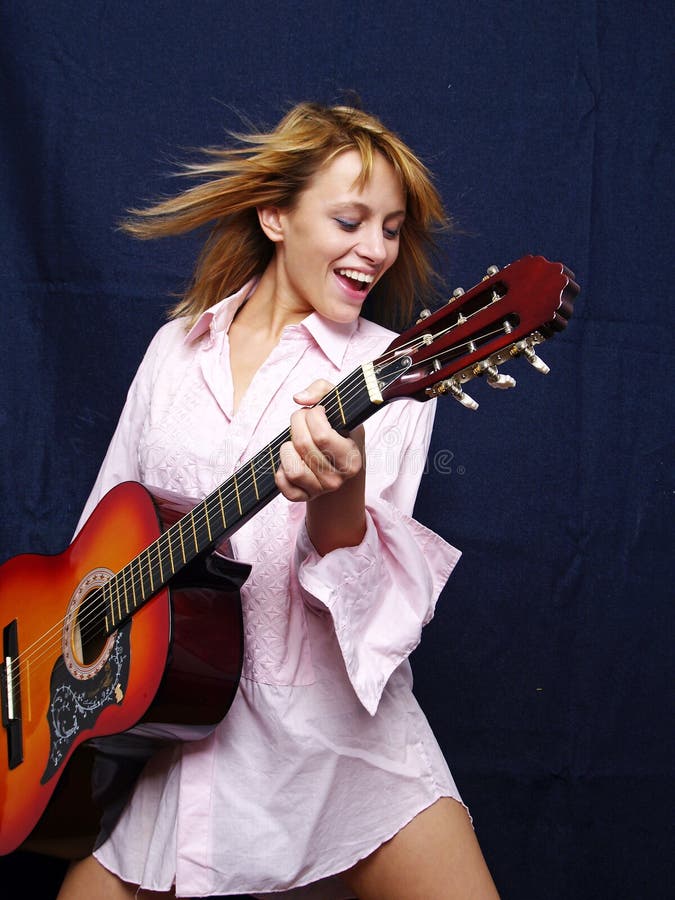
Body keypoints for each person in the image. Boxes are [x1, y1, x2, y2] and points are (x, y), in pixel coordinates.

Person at [56, 101, 500, 899]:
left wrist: (340, 495)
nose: (375, 251)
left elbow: (374, 610)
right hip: (178, 740)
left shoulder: (391, 377)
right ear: (274, 216)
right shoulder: (175, 348)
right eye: (350, 220)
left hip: (339, 753)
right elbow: (99, 539)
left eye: (391, 229)